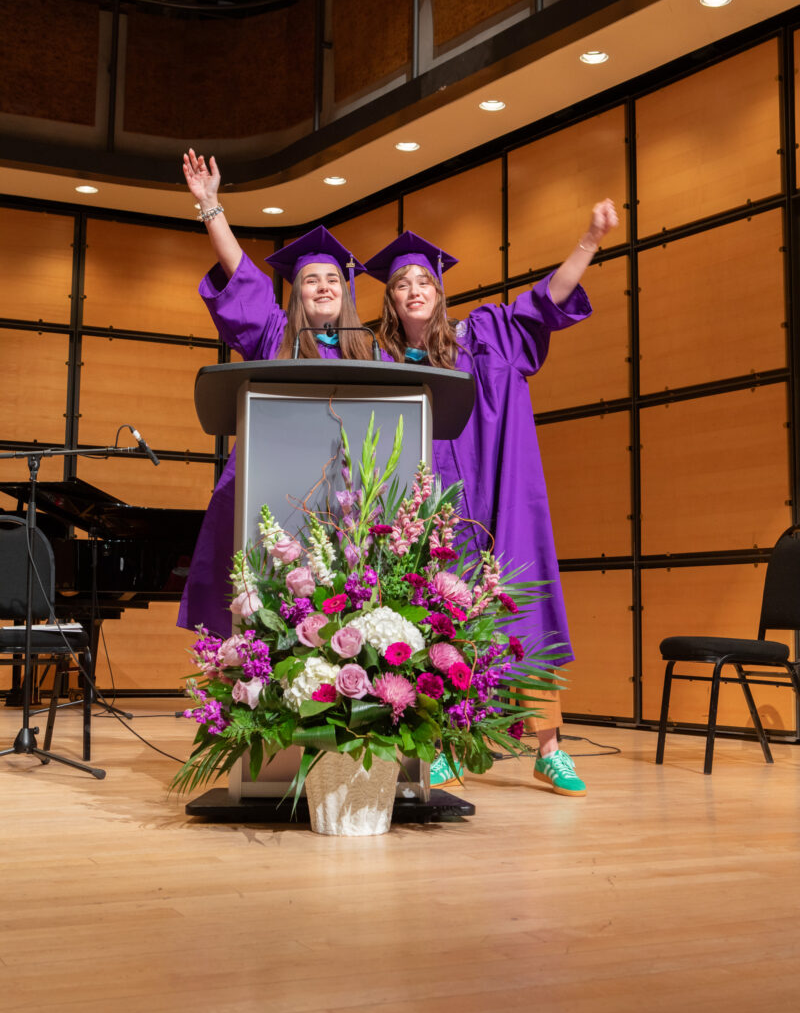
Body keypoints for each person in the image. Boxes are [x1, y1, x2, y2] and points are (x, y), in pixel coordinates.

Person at [366, 201, 619, 795]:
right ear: (391, 301)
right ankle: (449, 744)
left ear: (440, 292)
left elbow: (548, 301)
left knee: (524, 611)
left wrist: (588, 239)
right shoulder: (381, 362)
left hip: (501, 495)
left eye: (423, 281)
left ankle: (549, 747)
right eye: (402, 284)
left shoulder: (486, 335)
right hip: (430, 514)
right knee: (438, 620)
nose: (413, 290)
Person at [178, 149, 377, 639]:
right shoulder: (276, 335)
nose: (324, 287)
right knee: (258, 600)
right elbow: (242, 276)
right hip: (270, 488)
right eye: (312, 280)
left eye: (333, 279)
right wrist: (211, 206)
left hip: (343, 500)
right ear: (297, 293)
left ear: (346, 291)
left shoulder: (371, 351)